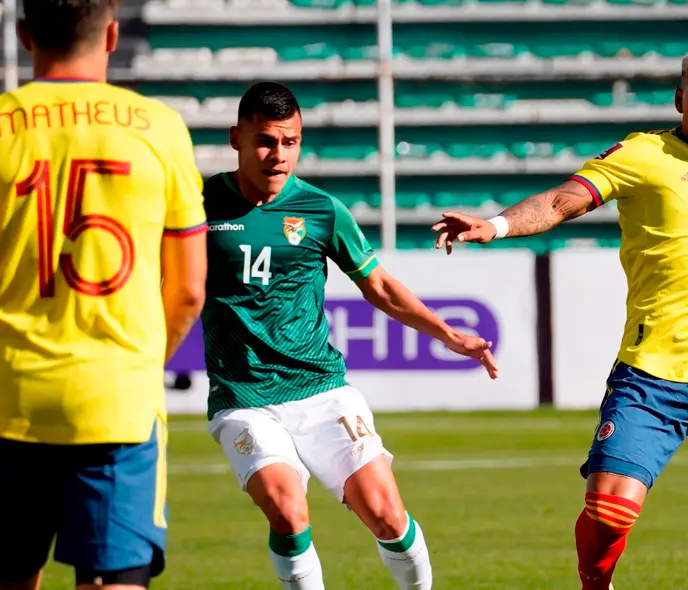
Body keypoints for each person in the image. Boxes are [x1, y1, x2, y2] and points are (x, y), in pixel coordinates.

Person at [431, 43, 688, 590]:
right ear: (681, 99)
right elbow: (563, 201)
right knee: (609, 516)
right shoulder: (642, 155)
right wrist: (497, 225)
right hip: (651, 379)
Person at [0, 1, 208, 588]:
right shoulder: (160, 127)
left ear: (25, 35)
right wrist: (138, 365)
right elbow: (187, 290)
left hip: (15, 398)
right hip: (120, 405)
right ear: (111, 35)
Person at [200, 81, 498, 590]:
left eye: (290, 142)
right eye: (266, 141)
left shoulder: (321, 210)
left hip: (320, 388)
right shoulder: (196, 205)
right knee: (288, 511)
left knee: (386, 516)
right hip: (243, 396)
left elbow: (378, 286)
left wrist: (448, 334)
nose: (278, 155)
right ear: (236, 138)